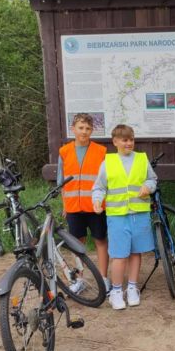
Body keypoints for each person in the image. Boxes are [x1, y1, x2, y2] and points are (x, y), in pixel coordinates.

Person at [92, 124, 158, 310]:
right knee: (119, 255)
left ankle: (132, 288)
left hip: (139, 214)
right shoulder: (108, 162)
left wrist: (148, 187)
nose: (129, 143)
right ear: (115, 142)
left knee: (136, 252)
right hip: (118, 216)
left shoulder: (142, 159)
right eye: (124, 140)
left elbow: (152, 179)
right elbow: (99, 187)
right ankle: (116, 291)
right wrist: (97, 201)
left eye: (131, 140)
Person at [58, 113, 109, 293]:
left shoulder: (101, 151)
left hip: (96, 206)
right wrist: (65, 205)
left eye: (88, 128)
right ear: (73, 129)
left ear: (92, 130)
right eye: (81, 128)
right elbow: (62, 182)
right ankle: (79, 279)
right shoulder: (64, 152)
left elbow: (106, 180)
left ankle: (103, 279)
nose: (84, 131)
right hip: (73, 207)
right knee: (77, 244)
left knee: (100, 241)